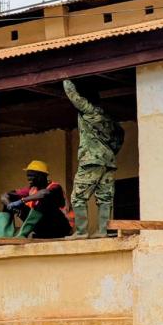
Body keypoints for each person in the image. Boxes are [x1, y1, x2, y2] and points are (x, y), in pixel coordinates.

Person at [64, 79, 124, 238]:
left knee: (78, 197)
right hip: (108, 161)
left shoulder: (89, 111)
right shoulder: (108, 119)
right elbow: (120, 136)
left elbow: (73, 96)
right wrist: (110, 152)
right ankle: (103, 231)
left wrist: (66, 78)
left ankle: (81, 232)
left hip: (91, 160)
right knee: (105, 197)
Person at [0, 160, 72, 239]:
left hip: (60, 227)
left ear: (42, 175)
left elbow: (44, 193)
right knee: (10, 201)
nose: (29, 179)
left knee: (44, 200)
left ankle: (22, 234)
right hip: (43, 227)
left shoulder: (55, 187)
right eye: (28, 176)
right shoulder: (32, 189)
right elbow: (5, 195)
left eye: (32, 176)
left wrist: (22, 201)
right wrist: (9, 205)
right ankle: (3, 235)